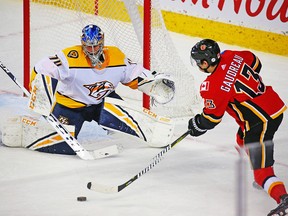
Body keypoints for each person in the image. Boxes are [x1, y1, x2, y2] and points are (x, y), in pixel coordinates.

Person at [22, 24, 175, 155]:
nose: (93, 50)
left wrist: (153, 82)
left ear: (102, 42)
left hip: (102, 102)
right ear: (83, 44)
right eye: (89, 46)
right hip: (70, 106)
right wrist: (41, 91)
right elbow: (42, 68)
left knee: (127, 131)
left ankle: (153, 132)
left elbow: (134, 73)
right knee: (63, 146)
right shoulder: (70, 57)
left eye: (96, 45)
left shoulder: (116, 56)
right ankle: (23, 131)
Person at [188, 39, 287, 216]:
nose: (197, 65)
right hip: (273, 105)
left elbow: (211, 119)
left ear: (205, 62)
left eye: (198, 62)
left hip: (260, 122)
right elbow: (256, 62)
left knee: (261, 174)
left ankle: (280, 196)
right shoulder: (231, 56)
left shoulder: (212, 86)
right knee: (241, 138)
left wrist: (197, 124)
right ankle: (264, 172)